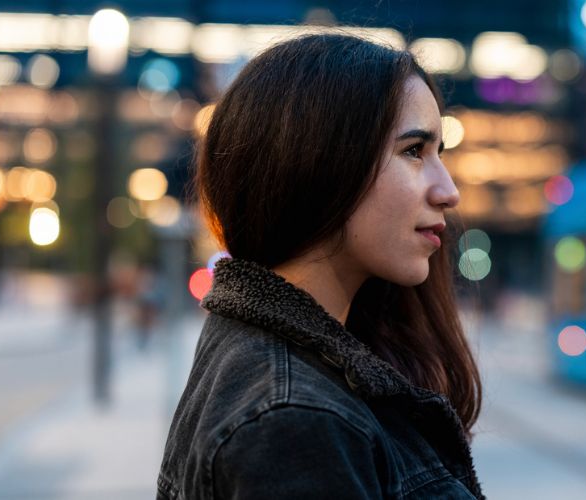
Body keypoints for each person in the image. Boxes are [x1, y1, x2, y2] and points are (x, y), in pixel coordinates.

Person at [157, 32, 483, 499]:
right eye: (414, 151)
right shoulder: (294, 421)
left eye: (440, 154)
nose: (448, 191)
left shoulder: (268, 355)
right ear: (321, 163)